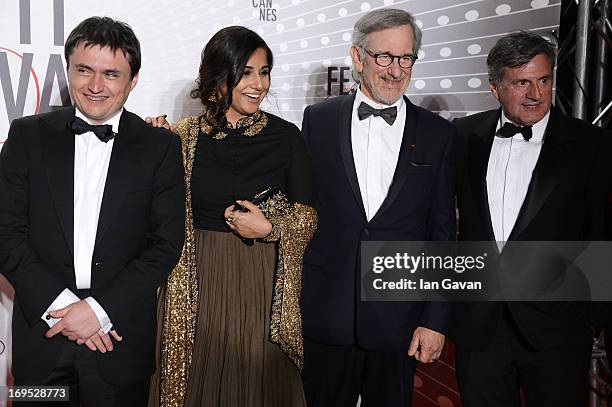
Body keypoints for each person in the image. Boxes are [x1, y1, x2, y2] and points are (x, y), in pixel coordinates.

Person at [0, 17, 185, 406]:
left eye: (111, 74)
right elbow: (6, 234)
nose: (96, 86)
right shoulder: (26, 136)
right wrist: (67, 311)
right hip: (43, 340)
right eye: (84, 70)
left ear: (133, 80)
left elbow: (164, 245)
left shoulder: (160, 148)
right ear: (67, 69)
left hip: (118, 343)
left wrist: (98, 311)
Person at [147, 26, 317, 407]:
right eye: (246, 72)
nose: (258, 83)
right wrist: (147, 144)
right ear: (218, 76)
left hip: (261, 285)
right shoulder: (182, 137)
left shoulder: (286, 136)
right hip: (194, 284)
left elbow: (308, 217)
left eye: (265, 71)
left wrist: (271, 228)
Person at [300, 8, 456, 407]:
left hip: (398, 322)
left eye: (405, 58)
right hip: (326, 314)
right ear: (357, 57)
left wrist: (433, 320)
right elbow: (303, 209)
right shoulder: (317, 120)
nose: (395, 70)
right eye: (384, 57)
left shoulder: (438, 133)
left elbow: (442, 234)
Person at [452, 31, 609, 407]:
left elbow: (601, 231)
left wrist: (593, 319)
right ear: (495, 87)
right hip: (480, 325)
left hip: (557, 328)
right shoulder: (461, 136)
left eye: (544, 80)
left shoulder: (590, 143)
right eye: (521, 82)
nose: (536, 94)